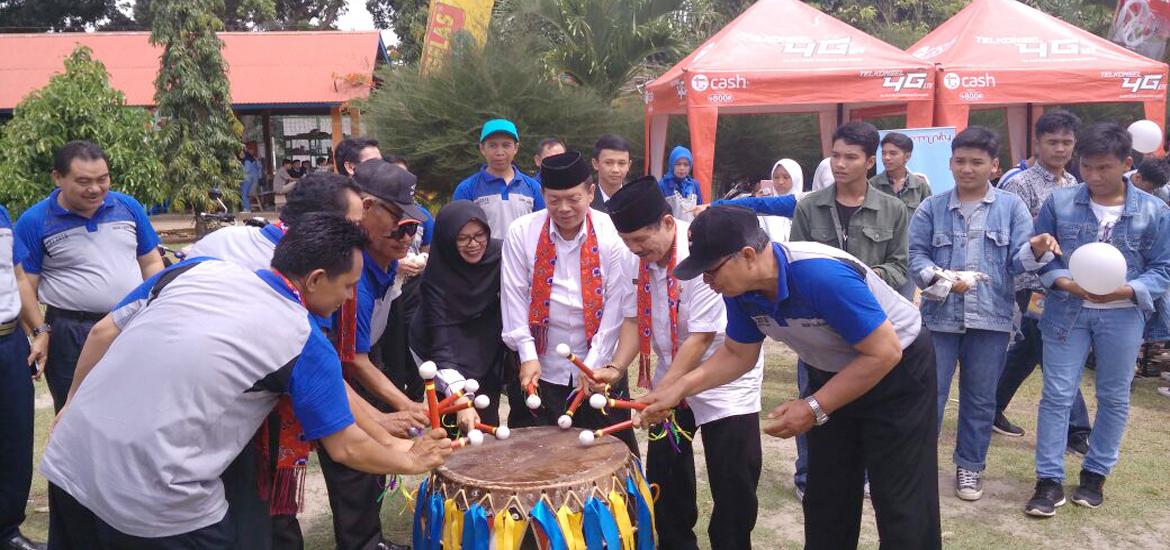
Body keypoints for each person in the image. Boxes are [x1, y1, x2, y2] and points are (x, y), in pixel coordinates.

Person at [41, 214, 452, 548]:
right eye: (347, 286)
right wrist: (410, 460)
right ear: (315, 278)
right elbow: (346, 446)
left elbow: (102, 334)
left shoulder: (198, 270)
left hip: (70, 461)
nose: (349, 298)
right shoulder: (300, 336)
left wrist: (69, 408)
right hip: (155, 501)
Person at [640, 205, 940, 550]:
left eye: (709, 271)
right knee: (827, 497)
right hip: (832, 372)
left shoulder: (820, 275)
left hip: (897, 373)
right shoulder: (740, 291)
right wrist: (677, 389)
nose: (706, 282)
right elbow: (738, 354)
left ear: (748, 255)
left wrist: (814, 406)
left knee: (901, 501)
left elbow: (884, 352)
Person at [187, 173, 371, 550]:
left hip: (260, 411)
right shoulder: (229, 250)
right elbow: (345, 443)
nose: (360, 233)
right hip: (213, 413)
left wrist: (384, 422)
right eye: (351, 225)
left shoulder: (317, 279)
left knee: (268, 509)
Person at [604, 178, 764, 549]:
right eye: (628, 241)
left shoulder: (702, 248)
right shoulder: (633, 256)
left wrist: (663, 394)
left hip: (724, 377)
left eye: (641, 240)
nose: (635, 249)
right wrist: (615, 368)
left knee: (733, 479)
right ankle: (675, 543)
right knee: (667, 472)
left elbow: (701, 337)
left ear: (666, 223)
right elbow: (631, 319)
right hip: (670, 372)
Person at [1024, 123, 1170, 517]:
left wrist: (1125, 290)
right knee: (1057, 394)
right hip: (1066, 312)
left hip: (1124, 316)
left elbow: (1164, 268)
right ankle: (1048, 480)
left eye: (1103, 168)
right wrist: (1064, 280)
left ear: (1126, 163)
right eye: (1086, 167)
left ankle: (1095, 473)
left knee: (1114, 395)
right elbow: (1043, 257)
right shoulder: (1061, 203)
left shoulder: (1155, 211)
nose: (1093, 176)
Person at [908, 127, 1055, 502]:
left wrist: (1037, 249)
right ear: (950, 163)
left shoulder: (1011, 207)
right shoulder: (932, 207)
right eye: (960, 161)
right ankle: (917, 467)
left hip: (991, 319)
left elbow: (1018, 262)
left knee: (980, 398)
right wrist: (941, 278)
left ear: (993, 166)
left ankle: (970, 467)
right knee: (928, 395)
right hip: (939, 319)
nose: (967, 169)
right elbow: (916, 258)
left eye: (977, 162)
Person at [319, 159, 429, 550]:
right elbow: (351, 358)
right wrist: (406, 405)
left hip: (354, 365)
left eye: (409, 225)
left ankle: (372, 539)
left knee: (375, 463)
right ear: (365, 208)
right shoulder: (354, 275)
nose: (403, 233)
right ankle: (361, 543)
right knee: (354, 467)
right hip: (334, 373)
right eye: (396, 219)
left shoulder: (383, 265)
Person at [500, 151, 636, 452]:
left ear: (590, 192)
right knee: (533, 462)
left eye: (573, 198)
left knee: (608, 457)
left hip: (599, 370)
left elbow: (617, 306)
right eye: (553, 199)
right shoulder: (522, 232)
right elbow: (513, 297)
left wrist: (593, 365)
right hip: (539, 367)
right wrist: (526, 353)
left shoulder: (612, 233)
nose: (563, 208)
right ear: (543, 195)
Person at [14, 140, 164, 413]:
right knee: (77, 411)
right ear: (58, 177)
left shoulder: (128, 207)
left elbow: (152, 261)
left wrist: (155, 306)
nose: (95, 189)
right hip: (71, 331)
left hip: (131, 321)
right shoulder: (35, 221)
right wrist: (38, 331)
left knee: (137, 407)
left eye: (102, 179)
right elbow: (25, 286)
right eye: (83, 181)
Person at [995, 110, 1093, 451]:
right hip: (1030, 283)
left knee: (1028, 351)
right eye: (1053, 142)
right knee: (1055, 349)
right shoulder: (1018, 184)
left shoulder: (1076, 185)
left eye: (1067, 142)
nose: (1060, 149)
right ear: (1037, 142)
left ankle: (989, 406)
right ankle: (1077, 430)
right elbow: (1013, 239)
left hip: (1066, 281)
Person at [411, 201, 514, 429]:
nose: (473, 244)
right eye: (462, 238)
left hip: (485, 347)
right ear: (448, 239)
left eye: (479, 235)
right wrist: (459, 396)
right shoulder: (435, 277)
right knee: (452, 428)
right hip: (441, 352)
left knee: (488, 423)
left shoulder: (501, 254)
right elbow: (440, 342)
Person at [0, 203, 50, 550]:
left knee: (14, 439)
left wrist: (39, 329)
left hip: (8, 341)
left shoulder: (0, 213)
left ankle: (6, 531)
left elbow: (17, 277)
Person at [453, 119, 544, 237]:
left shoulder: (534, 188)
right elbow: (459, 232)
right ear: (482, 148)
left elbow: (542, 228)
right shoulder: (466, 189)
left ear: (516, 148)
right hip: (485, 255)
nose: (500, 152)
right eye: (492, 145)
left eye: (506, 145)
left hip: (523, 255)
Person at [870, 131, 931, 216]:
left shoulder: (920, 187)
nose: (886, 158)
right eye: (883, 153)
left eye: (893, 153)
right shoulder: (872, 184)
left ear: (907, 156)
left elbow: (929, 218)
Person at [761, 158, 803, 242]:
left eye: (786, 177)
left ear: (796, 178)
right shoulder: (767, 206)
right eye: (776, 177)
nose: (780, 182)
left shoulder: (804, 204)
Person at [659, 146, 703, 222]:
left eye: (686, 165)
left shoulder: (695, 185)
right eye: (678, 164)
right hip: (671, 231)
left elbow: (700, 209)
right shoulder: (663, 185)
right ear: (672, 164)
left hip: (691, 231)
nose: (682, 168)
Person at [590, 134, 632, 212]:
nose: (615, 170)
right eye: (608, 163)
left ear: (629, 165)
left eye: (621, 163)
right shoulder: (586, 200)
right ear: (595, 164)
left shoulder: (636, 200)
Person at [240, 141, 263, 213]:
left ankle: (246, 209)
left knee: (244, 194)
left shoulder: (247, 160)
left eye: (241, 153)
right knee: (245, 194)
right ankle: (247, 208)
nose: (240, 155)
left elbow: (246, 170)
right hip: (253, 180)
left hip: (247, 179)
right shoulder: (253, 159)